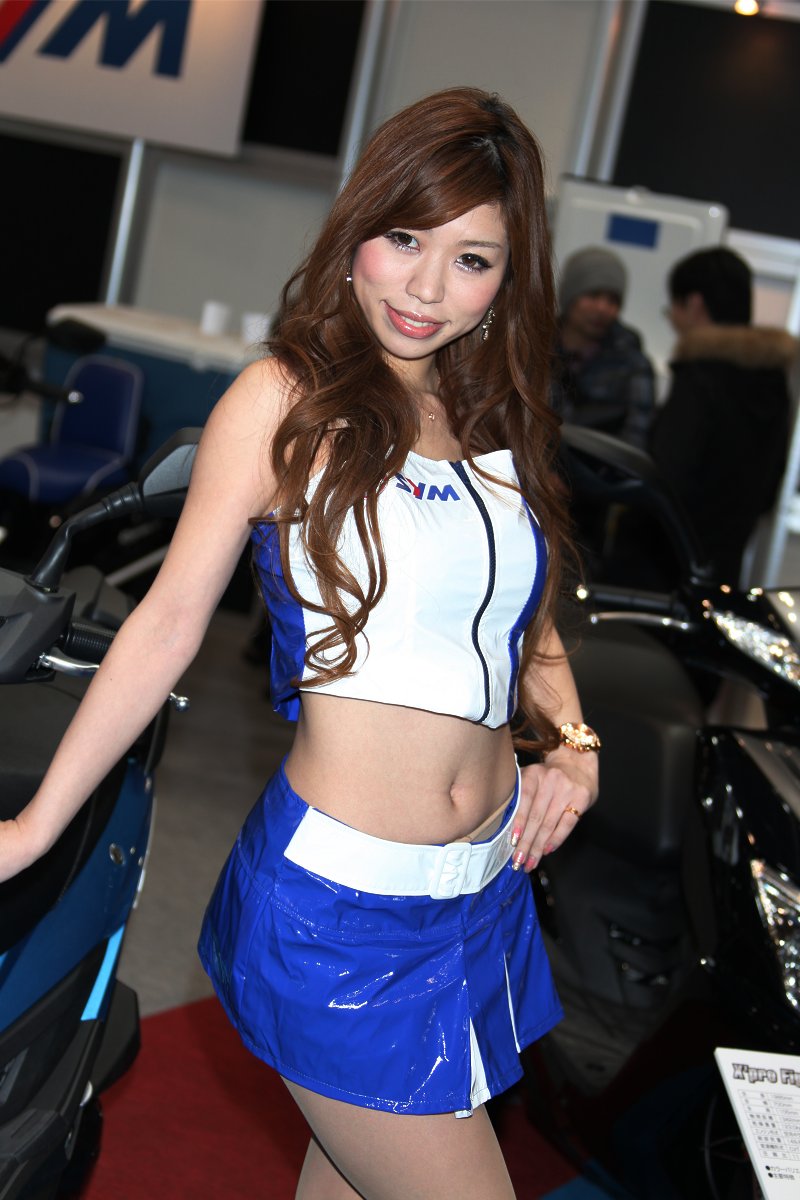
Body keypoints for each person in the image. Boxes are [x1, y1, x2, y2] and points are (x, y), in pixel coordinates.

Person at [0, 88, 599, 1199]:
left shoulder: (493, 423)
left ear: (506, 280)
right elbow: (167, 623)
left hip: (478, 895)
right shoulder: (284, 400)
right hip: (338, 916)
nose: (426, 288)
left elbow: (531, 625)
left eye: (470, 260)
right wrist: (35, 829)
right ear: (357, 230)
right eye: (404, 239)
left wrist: (573, 742)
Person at [651, 246, 796, 584]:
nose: (674, 320)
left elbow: (667, 475)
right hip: (725, 567)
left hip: (667, 568)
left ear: (695, 304)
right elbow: (771, 489)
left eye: (674, 308)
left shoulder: (700, 376)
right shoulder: (775, 382)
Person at [551, 245, 656, 450]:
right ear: (570, 296)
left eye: (612, 300)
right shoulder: (534, 350)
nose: (602, 308)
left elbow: (634, 443)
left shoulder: (633, 365)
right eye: (593, 295)